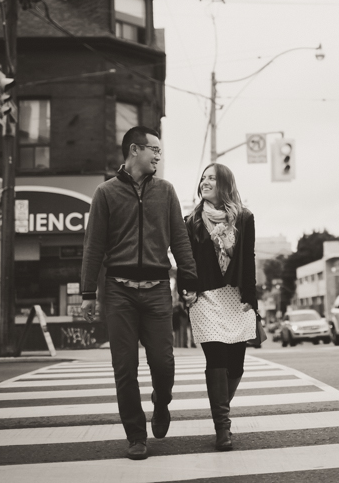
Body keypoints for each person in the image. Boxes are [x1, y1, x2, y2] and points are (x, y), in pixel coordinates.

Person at [80, 126, 198, 460]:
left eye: (160, 152)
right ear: (135, 150)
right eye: (154, 150)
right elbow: (93, 247)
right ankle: (136, 435)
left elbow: (180, 239)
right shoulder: (105, 193)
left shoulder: (166, 191)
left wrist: (189, 283)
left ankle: (162, 402)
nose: (159, 156)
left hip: (159, 291)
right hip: (118, 293)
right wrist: (88, 292)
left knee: (163, 363)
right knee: (125, 368)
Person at [180, 163, 258, 452]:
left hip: (236, 297)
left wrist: (252, 299)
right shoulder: (192, 222)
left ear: (225, 183)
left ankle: (220, 407)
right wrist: (186, 289)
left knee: (235, 365)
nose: (205, 182)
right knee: (216, 360)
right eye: (203, 178)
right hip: (206, 298)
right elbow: (185, 260)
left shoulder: (244, 218)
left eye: (212, 178)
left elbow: (248, 260)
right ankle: (222, 429)